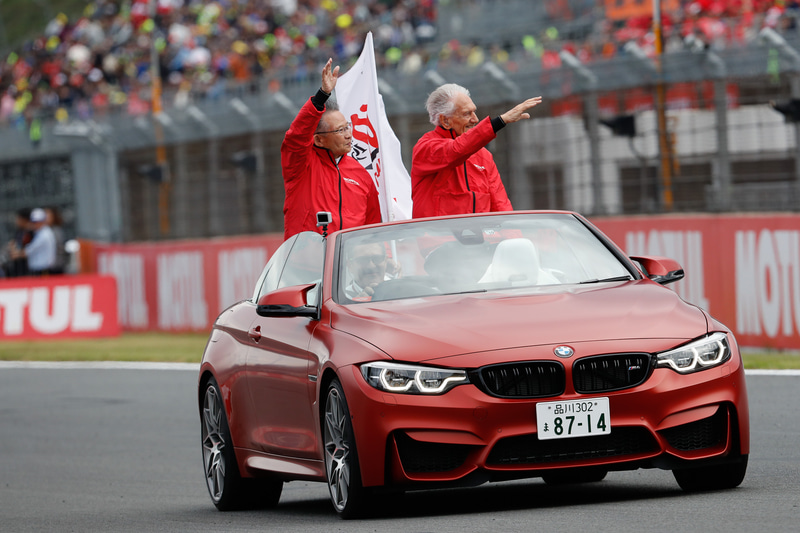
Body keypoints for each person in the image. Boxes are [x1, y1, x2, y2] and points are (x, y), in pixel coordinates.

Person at [280, 58, 382, 240]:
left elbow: (373, 227)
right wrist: (322, 96)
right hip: (309, 262)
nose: (349, 134)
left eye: (347, 126)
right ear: (318, 140)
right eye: (340, 130)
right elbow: (296, 138)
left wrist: (384, 256)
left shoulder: (361, 174)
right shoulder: (301, 166)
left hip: (349, 264)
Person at [411, 84, 543, 218]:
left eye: (474, 112)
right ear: (445, 121)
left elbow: (501, 207)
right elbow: (455, 150)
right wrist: (500, 121)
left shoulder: (484, 156)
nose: (475, 119)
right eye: (467, 114)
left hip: (483, 238)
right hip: (439, 238)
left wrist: (514, 238)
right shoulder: (426, 148)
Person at [9, 207, 57, 275]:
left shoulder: (44, 234)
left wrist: (17, 254)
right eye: (34, 222)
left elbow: (29, 250)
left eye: (37, 222)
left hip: (43, 270)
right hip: (38, 269)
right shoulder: (38, 233)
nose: (35, 224)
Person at [2, 208, 33, 277]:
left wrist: (18, 253)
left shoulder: (31, 233)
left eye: (18, 219)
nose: (16, 221)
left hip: (27, 267)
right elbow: (15, 243)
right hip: (16, 266)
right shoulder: (19, 231)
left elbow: (30, 249)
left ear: (24, 220)